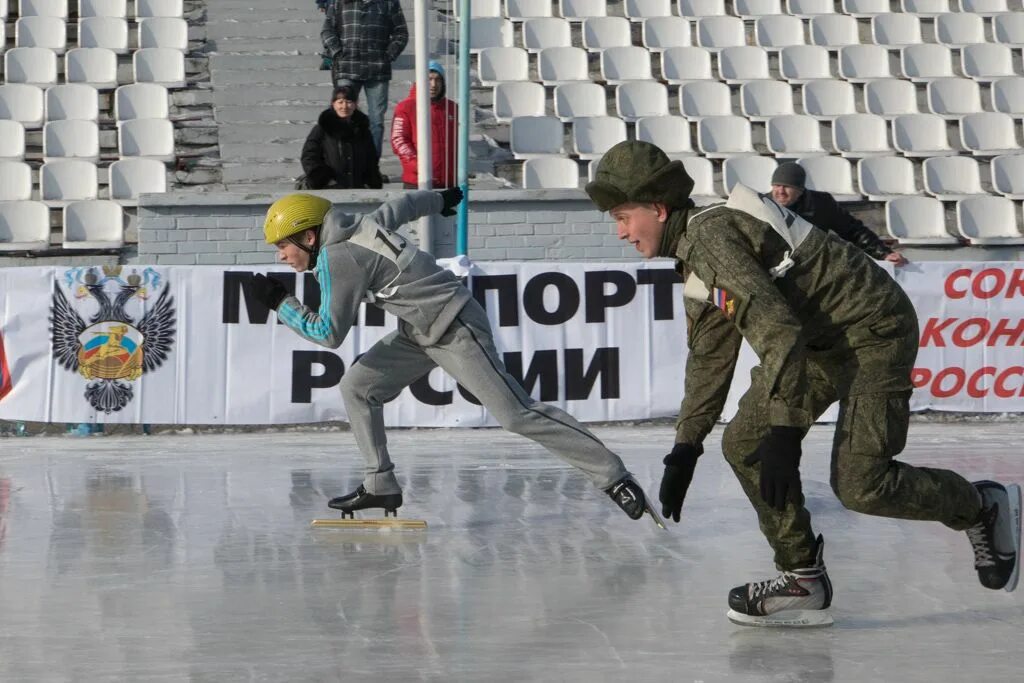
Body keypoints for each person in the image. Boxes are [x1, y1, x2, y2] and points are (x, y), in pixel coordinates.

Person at [584, 140, 1020, 626]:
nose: (621, 232)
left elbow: (776, 330)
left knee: (861, 485)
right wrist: (686, 445)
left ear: (659, 209)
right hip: (814, 342)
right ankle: (802, 576)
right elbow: (710, 354)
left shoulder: (711, 239)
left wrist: (786, 433)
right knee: (744, 443)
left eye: (624, 217)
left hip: (871, 332)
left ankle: (981, 505)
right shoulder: (694, 255)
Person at [249, 191, 659, 525]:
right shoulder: (359, 226)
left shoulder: (338, 258)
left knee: (516, 413)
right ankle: (380, 485)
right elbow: (401, 206)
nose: (281, 256)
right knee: (357, 386)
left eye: (283, 246)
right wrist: (442, 199)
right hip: (419, 331)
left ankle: (613, 476)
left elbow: (328, 333)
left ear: (307, 237)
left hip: (455, 327)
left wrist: (281, 303)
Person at [769, 161, 908, 266]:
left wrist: (884, 254)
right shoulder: (762, 205)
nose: (780, 191)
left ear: (800, 190)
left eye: (787, 187)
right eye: (776, 186)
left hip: (813, 265)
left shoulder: (822, 204)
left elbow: (853, 231)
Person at [321, 0, 409, 159]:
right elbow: (327, 30)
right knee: (342, 116)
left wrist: (388, 55)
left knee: (376, 122)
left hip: (378, 70)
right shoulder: (339, 2)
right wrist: (337, 52)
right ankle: (342, 163)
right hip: (347, 67)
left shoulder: (389, 3)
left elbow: (401, 32)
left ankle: (371, 167)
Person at [298, 84, 383, 191]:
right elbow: (309, 156)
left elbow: (371, 158)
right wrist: (324, 179)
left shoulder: (363, 130)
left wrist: (370, 181)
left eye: (349, 102)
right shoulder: (322, 128)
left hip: (358, 188)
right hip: (329, 188)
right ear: (333, 104)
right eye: (340, 102)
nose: (344, 106)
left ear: (356, 104)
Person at [390, 60, 458, 190]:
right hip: (417, 182)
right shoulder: (406, 107)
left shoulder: (452, 108)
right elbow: (398, 140)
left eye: (438, 80)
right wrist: (419, 166)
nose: (433, 85)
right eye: (429, 79)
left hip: (449, 182)